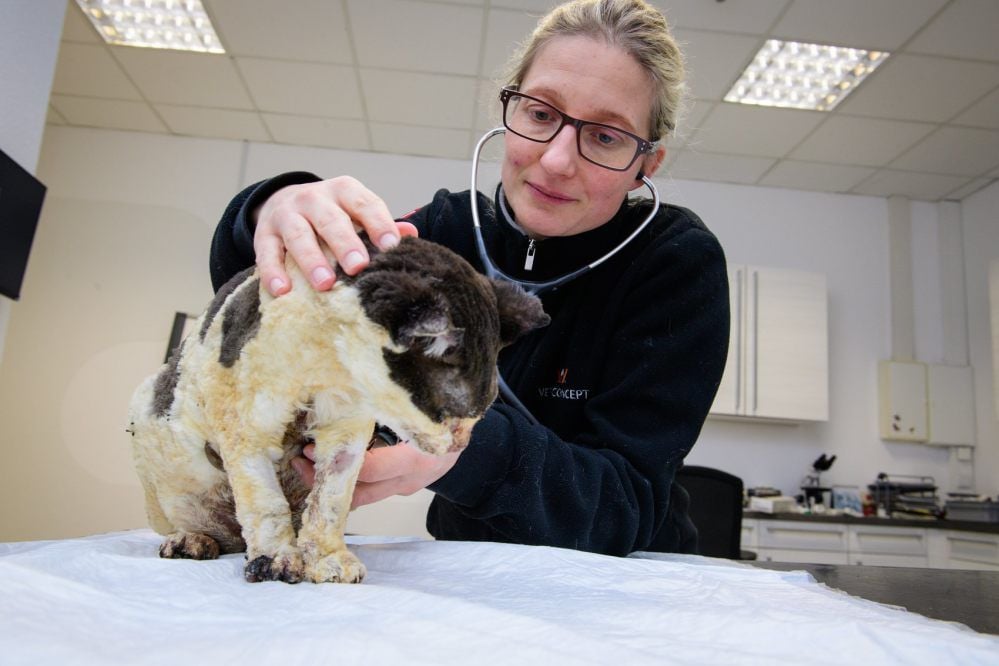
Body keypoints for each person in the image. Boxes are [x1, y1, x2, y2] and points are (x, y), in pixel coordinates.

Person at [209, 0, 729, 557]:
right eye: (540, 113)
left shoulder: (675, 265)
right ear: (511, 108)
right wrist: (272, 210)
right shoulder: (445, 231)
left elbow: (623, 505)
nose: (556, 160)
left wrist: (464, 445)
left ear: (645, 166)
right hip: (466, 564)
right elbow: (270, 297)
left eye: (605, 137)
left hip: (627, 577)